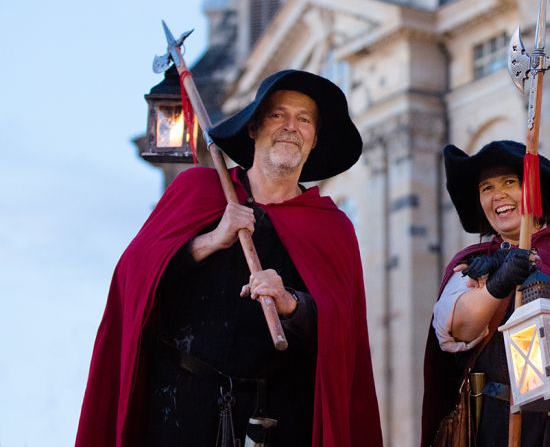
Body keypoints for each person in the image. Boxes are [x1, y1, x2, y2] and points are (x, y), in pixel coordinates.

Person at [76, 70, 382, 447]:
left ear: (314, 139)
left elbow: (343, 333)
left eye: (303, 120)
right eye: (277, 115)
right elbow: (132, 277)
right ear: (253, 128)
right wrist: (209, 241)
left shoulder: (332, 228)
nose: (290, 127)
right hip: (178, 408)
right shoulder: (197, 190)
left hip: (276, 419)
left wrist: (293, 305)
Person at [421, 140, 550, 447]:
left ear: (535, 189)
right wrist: (498, 284)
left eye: (509, 182)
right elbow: (457, 327)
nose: (497, 195)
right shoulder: (473, 263)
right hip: (499, 421)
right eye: (486, 188)